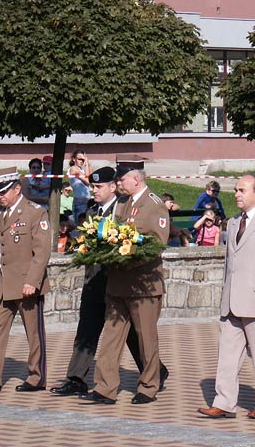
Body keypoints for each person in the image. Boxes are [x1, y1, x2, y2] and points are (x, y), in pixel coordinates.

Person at [51, 167, 168, 397]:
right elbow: (110, 234)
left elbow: (156, 243)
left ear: (135, 179)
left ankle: (150, 384)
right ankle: (104, 388)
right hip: (113, 282)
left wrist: (124, 252)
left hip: (140, 284)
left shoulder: (153, 204)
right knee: (109, 340)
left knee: (143, 338)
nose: (119, 182)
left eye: (121, 178)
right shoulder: (120, 205)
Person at [198, 174, 255, 419]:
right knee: (227, 357)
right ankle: (224, 402)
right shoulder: (233, 221)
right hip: (232, 302)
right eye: (236, 190)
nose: (236, 194)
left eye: (242, 190)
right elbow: (231, 262)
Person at [0, 167, 51, 392]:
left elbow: (42, 252)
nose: (0, 196)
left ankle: (36, 377)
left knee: (34, 334)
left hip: (27, 284)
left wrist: (33, 281)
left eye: (4, 191)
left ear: (17, 189)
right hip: (2, 283)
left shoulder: (35, 212)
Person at [68, 149, 92, 222]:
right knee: (80, 224)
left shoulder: (82, 170)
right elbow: (87, 180)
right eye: (79, 159)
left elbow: (91, 177)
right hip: (79, 200)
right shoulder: (73, 169)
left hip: (87, 199)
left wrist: (88, 163)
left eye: (83, 160)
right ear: (74, 159)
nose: (81, 161)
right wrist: (86, 164)